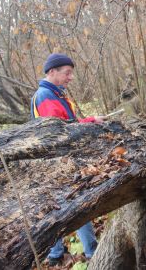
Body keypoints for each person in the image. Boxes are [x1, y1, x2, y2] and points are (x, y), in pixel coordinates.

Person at [31, 53, 106, 265]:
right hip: (58, 164)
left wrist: (91, 120)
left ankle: (58, 254)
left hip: (63, 161)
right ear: (51, 72)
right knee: (70, 206)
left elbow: (68, 124)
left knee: (66, 206)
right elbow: (60, 133)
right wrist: (88, 124)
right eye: (67, 73)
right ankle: (72, 253)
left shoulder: (56, 94)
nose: (71, 77)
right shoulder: (45, 96)